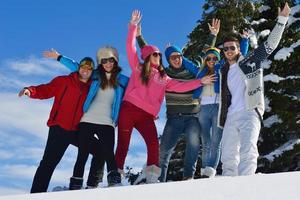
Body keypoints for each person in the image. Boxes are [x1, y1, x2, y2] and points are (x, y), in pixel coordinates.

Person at [114, 10, 216, 184]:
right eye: (156, 55)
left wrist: (201, 81)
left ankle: (153, 177)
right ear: (147, 57)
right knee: (124, 143)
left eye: (160, 55)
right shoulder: (138, 68)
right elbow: (130, 48)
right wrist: (133, 28)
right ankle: (115, 174)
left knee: (153, 144)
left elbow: (182, 85)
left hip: (147, 115)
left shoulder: (165, 78)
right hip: (129, 110)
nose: (158, 57)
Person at [218, 2, 290, 176]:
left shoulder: (250, 60)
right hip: (231, 115)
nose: (228, 51)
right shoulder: (223, 70)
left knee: (248, 151)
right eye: (226, 48)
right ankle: (227, 188)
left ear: (237, 49)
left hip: (250, 111)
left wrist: (281, 20)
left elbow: (270, 45)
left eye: (232, 48)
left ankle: (246, 187)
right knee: (227, 155)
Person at [44, 47, 129, 188]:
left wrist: (149, 110)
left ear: (115, 62)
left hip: (107, 122)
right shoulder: (95, 75)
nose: (108, 63)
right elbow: (77, 67)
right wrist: (59, 57)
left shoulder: (123, 80)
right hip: (87, 120)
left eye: (111, 60)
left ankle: (109, 182)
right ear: (100, 63)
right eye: (104, 61)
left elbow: (137, 91)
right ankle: (76, 183)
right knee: (82, 154)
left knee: (108, 153)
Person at [19, 56, 104, 193]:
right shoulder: (63, 81)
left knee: (101, 149)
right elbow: (46, 89)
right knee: (48, 163)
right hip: (59, 128)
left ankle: (92, 185)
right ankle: (36, 194)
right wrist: (30, 90)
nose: (85, 71)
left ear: (92, 71)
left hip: (78, 130)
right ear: (79, 68)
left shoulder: (92, 89)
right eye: (83, 67)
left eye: (89, 69)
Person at [181, 30, 249, 178]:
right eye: (209, 58)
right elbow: (186, 63)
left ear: (218, 59)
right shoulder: (200, 72)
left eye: (214, 58)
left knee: (216, 142)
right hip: (204, 109)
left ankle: (211, 170)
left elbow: (240, 56)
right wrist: (173, 52)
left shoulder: (222, 69)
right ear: (206, 59)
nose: (211, 60)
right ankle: (205, 169)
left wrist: (244, 40)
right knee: (206, 141)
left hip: (218, 108)